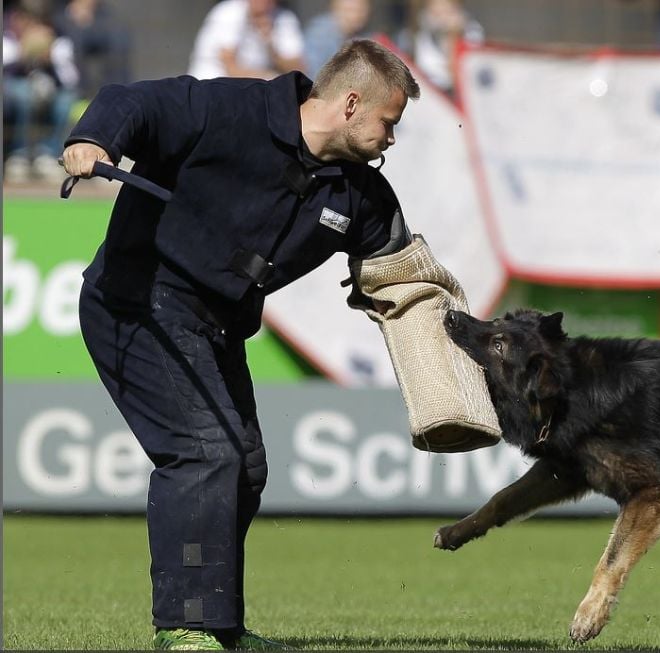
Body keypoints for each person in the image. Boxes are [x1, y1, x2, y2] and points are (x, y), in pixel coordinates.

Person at [60, 38, 420, 650]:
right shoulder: (230, 110)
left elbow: (405, 272)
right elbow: (132, 101)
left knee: (245, 470)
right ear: (352, 103)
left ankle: (220, 627)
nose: (392, 139)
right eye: (389, 123)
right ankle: (185, 625)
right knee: (206, 454)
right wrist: (94, 141)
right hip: (137, 300)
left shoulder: (358, 194)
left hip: (216, 324)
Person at [3, 0, 79, 181]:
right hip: (12, 91)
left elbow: (71, 79)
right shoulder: (8, 37)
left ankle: (49, 154)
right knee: (24, 93)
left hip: (50, 90)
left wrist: (51, 58)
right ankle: (19, 154)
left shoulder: (59, 40)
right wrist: (23, 54)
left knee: (66, 99)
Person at [188, 0, 305, 80]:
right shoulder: (229, 12)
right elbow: (231, 69)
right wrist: (270, 77)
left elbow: (299, 70)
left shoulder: (285, 18)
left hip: (252, 91)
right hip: (210, 87)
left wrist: (270, 45)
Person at [394, 0, 484, 97]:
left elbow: (462, 75)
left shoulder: (471, 33)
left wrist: (453, 38)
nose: (442, 17)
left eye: (448, 9)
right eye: (436, 11)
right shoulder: (413, 35)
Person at [52, 0, 132, 100]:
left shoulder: (107, 18)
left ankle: (119, 98)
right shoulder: (58, 16)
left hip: (93, 13)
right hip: (57, 14)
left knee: (119, 36)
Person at [304, 0, 372, 76]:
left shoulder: (364, 34)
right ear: (335, 8)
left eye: (361, 10)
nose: (356, 16)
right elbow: (313, 75)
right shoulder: (319, 33)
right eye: (350, 10)